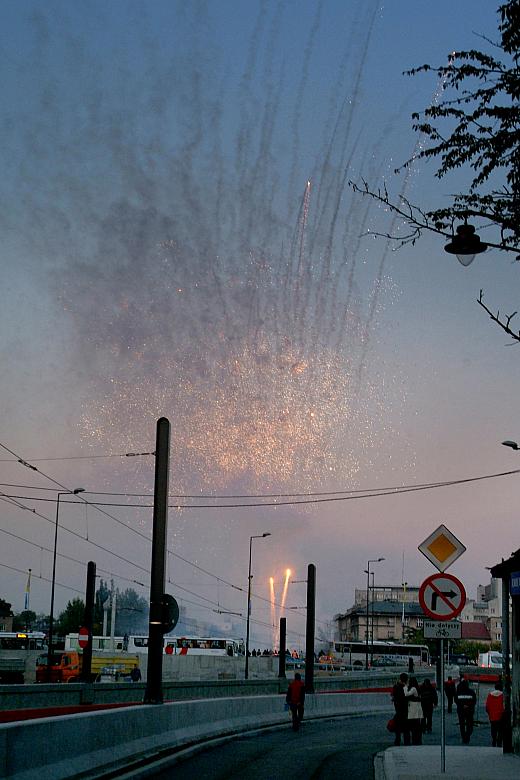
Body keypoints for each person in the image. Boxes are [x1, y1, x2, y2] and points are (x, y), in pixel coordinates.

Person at [455, 678, 477, 744]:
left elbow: (456, 700)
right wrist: (468, 705)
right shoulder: (471, 692)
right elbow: (474, 701)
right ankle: (467, 735)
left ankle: (463, 737)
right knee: (469, 724)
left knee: (462, 725)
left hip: (461, 710)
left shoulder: (458, 692)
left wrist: (462, 705)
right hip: (469, 711)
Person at [391, 672, 410, 746]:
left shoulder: (396, 687)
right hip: (405, 709)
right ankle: (407, 741)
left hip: (398, 709)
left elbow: (393, 696)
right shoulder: (407, 687)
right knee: (406, 727)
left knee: (398, 726)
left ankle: (397, 740)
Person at [485, 681, 505, 747]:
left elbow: (487, 706)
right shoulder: (503, 695)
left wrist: (489, 713)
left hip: (492, 716)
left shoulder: (490, 695)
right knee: (500, 730)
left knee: (493, 729)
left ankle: (494, 740)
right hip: (501, 715)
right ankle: (499, 742)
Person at [405, 677, 423, 745]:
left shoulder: (411, 689)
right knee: (417, 726)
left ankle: (412, 740)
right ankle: (418, 740)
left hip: (411, 709)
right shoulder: (418, 689)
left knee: (411, 726)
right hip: (417, 709)